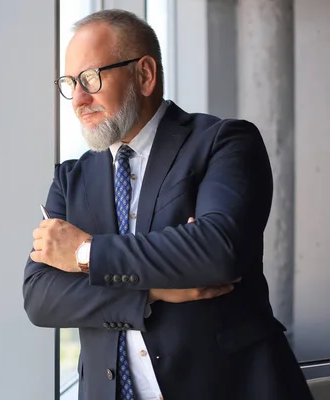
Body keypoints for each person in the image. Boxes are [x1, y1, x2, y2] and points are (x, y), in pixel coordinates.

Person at [22, 9, 313, 400]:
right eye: (70, 82)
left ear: (144, 74)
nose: (78, 98)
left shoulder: (224, 143)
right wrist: (152, 291)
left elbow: (217, 251)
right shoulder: (70, 178)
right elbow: (41, 298)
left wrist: (84, 253)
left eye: (91, 78)